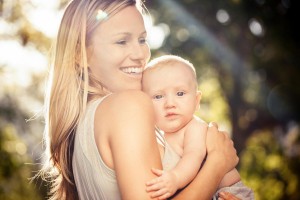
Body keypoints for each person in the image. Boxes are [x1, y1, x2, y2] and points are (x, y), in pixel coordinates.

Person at [38, 0, 240, 199]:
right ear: (80, 55)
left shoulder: (85, 125)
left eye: (142, 40)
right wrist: (217, 164)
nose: (140, 54)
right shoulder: (129, 106)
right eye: (121, 41)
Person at [142, 55, 254, 200]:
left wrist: (175, 178)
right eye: (158, 96)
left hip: (230, 193)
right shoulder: (158, 136)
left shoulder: (195, 127)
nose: (170, 103)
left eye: (180, 93)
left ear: (196, 101)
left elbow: (193, 156)